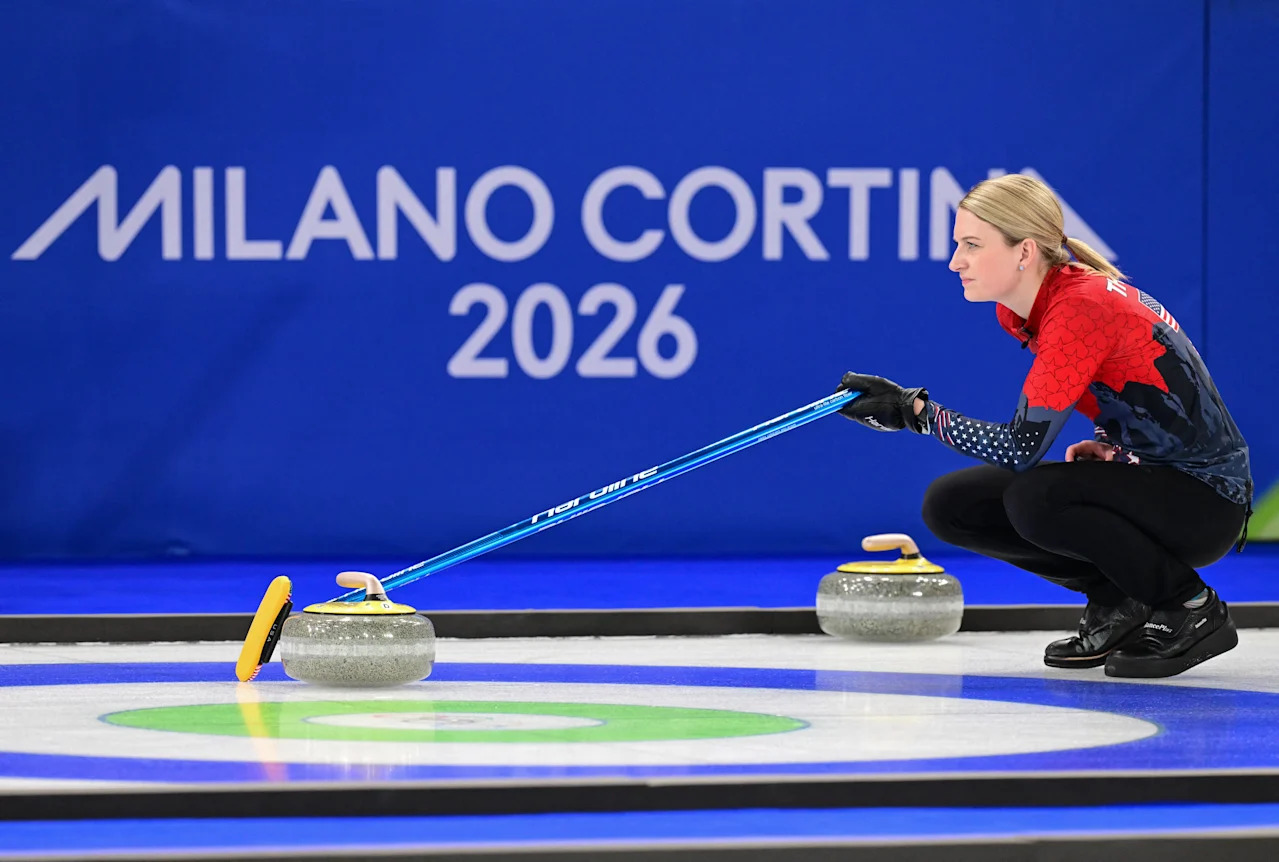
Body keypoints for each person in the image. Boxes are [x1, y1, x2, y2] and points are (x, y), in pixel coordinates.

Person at [837, 173, 1252, 679]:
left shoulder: (1078, 306)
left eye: (971, 245)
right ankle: (1119, 598)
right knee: (953, 505)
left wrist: (914, 412)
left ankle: (1189, 608)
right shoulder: (1030, 310)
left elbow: (1019, 450)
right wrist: (1115, 447)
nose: (955, 261)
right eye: (957, 244)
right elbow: (1128, 386)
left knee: (1036, 497)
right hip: (1165, 479)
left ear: (1024, 251)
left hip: (1206, 502)